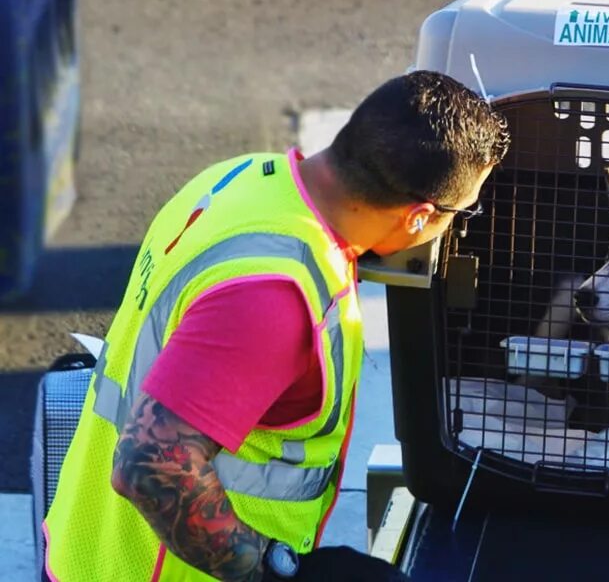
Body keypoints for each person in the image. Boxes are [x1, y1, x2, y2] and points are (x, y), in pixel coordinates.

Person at [42, 70, 510, 581]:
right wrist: (275, 569)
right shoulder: (280, 297)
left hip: (87, 550)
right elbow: (151, 464)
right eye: (461, 213)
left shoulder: (241, 180)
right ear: (419, 216)